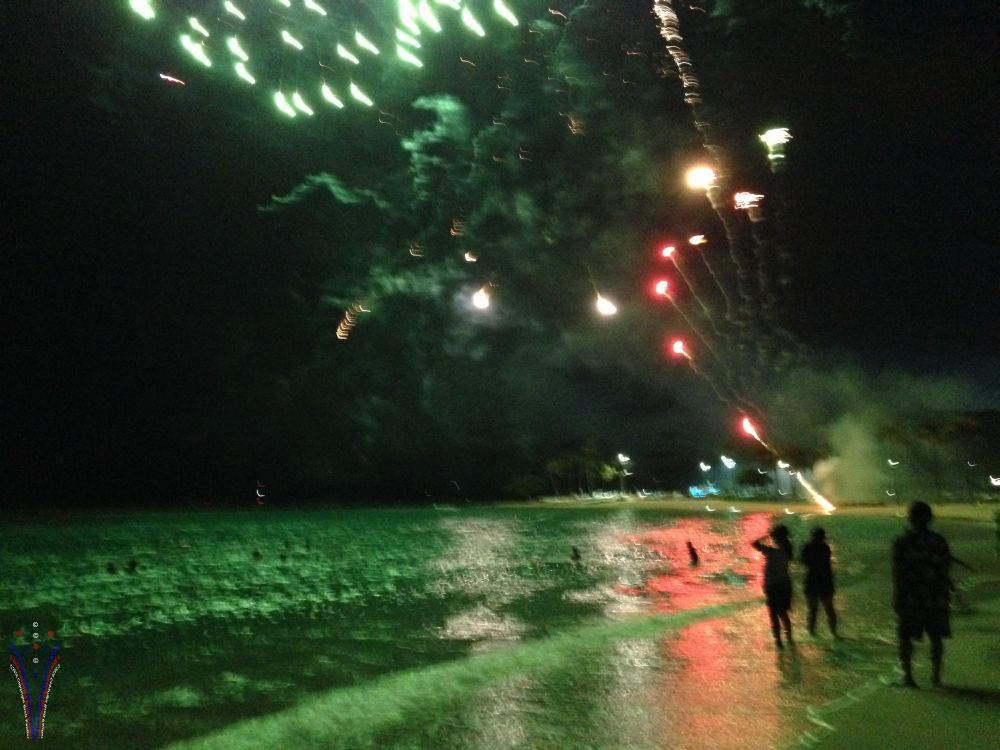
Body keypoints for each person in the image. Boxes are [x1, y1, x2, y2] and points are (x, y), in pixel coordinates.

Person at [893, 501, 951, 687]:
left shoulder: (902, 542)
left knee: (905, 638)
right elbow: (945, 569)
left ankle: (908, 677)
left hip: (912, 598)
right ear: (930, 519)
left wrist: (898, 598)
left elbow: (899, 574)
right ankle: (936, 677)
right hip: (936, 597)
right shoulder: (939, 541)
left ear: (910, 519)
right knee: (936, 637)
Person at [752, 524, 794, 649]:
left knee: (774, 615)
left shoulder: (771, 552)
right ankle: (789, 639)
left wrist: (767, 535)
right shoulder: (788, 550)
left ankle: (778, 642)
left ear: (777, 537)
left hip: (773, 586)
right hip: (785, 584)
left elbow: (754, 544)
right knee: (784, 613)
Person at [800, 528, 838, 637]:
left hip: (812, 580)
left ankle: (811, 632)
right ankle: (834, 633)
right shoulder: (825, 548)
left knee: (812, 610)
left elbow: (804, 562)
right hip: (825, 580)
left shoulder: (808, 547)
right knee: (829, 608)